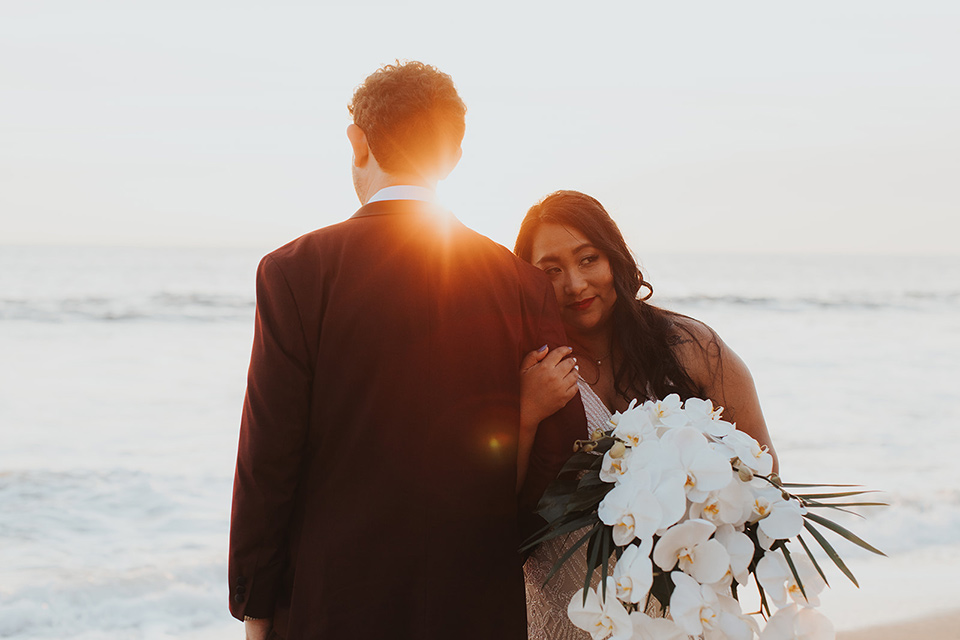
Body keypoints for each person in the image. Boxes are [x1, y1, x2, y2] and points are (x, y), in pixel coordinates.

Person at [227, 63, 586, 640]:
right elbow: (560, 448)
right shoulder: (520, 282)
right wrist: (493, 544)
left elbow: (268, 459)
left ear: (358, 141)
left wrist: (255, 605)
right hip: (475, 602)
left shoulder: (295, 272)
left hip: (330, 604)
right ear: (453, 156)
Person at [514, 190, 778, 640]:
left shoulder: (690, 348)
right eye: (551, 271)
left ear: (615, 258)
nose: (575, 284)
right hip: (572, 612)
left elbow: (763, 476)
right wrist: (526, 413)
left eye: (588, 259)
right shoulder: (528, 370)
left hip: (682, 611)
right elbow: (495, 502)